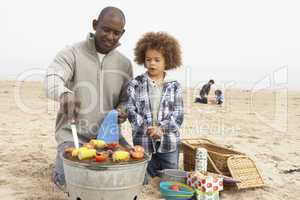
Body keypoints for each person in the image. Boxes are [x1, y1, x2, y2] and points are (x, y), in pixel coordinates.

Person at [44, 7, 133, 190]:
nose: (110, 36)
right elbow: (51, 79)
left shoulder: (125, 64)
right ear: (95, 25)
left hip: (109, 138)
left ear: (122, 33)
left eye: (116, 33)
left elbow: (127, 99)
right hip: (73, 136)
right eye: (106, 29)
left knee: (133, 177)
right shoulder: (72, 53)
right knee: (70, 182)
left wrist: (123, 109)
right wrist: (64, 94)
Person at [126, 32, 184, 178]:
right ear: (143, 60)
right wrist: (147, 129)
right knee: (143, 175)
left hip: (169, 141)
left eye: (157, 60)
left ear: (167, 61)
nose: (152, 63)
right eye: (148, 59)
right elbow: (131, 111)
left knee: (171, 174)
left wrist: (161, 129)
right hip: (143, 140)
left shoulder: (174, 86)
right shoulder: (135, 84)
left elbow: (178, 115)